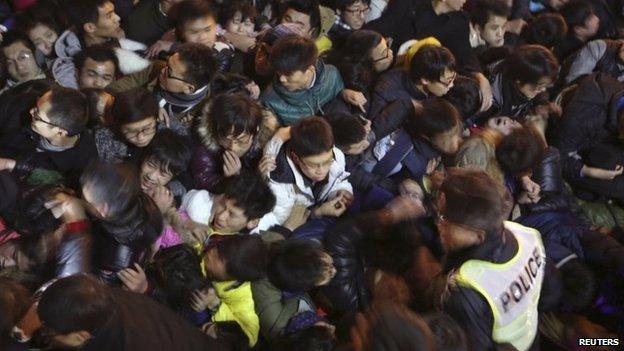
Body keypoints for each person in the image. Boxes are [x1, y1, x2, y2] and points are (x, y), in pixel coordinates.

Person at [436, 168, 560, 350]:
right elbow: (551, 292)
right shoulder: (525, 234)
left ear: (478, 236)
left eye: (445, 220)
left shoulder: (465, 290)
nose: (439, 226)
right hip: (531, 339)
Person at [37, 274, 228, 350]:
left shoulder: (128, 343)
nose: (46, 333)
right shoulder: (107, 298)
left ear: (80, 337)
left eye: (50, 332)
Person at [261, 117, 353, 239]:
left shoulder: (335, 154)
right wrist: (317, 212)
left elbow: (339, 179)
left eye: (327, 162)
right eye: (313, 165)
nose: (322, 170)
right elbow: (280, 231)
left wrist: (340, 191)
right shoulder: (278, 187)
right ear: (295, 158)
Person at [79, 162, 163, 285]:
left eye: (85, 199)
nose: (80, 197)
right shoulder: (139, 202)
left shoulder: (112, 257)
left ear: (103, 210)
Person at [0, 86, 97, 187]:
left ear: (60, 132)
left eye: (37, 116)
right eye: (37, 103)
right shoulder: (26, 103)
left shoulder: (83, 163)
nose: (31, 111)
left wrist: (14, 165)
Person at [109, 43, 218, 131]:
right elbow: (122, 85)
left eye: (169, 72)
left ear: (189, 89)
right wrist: (149, 106)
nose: (163, 70)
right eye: (167, 63)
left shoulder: (203, 111)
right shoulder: (157, 68)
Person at [551, 73, 624, 202]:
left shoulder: (618, 98)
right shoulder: (583, 115)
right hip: (567, 147)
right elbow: (557, 155)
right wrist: (589, 171)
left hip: (594, 137)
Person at [253, 233, 336, 340]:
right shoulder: (271, 314)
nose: (334, 271)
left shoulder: (277, 241)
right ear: (298, 286)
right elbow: (278, 333)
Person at [53, 0, 149, 89]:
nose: (117, 18)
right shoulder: (69, 71)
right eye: (109, 15)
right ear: (90, 27)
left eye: (114, 12)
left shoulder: (120, 41)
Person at [191, 93, 277, 192]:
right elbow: (202, 180)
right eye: (226, 139)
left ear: (256, 131)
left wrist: (258, 176)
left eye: (240, 141)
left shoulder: (267, 140)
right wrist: (233, 180)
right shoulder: (204, 141)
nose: (232, 147)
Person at [261, 35, 344, 125]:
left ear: (309, 71)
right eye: (279, 72)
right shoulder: (270, 101)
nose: (282, 79)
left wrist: (344, 92)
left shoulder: (332, 76)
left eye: (288, 74)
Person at [369, 44, 456, 128]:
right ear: (425, 80)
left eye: (453, 77)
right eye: (448, 81)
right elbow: (373, 129)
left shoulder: (433, 88)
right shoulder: (386, 90)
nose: (452, 85)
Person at [324, 30, 394, 117]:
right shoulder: (355, 88)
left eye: (388, 45)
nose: (391, 53)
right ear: (368, 64)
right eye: (385, 54)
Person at [95, 87, 174, 162]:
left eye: (146, 129)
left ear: (157, 119)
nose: (141, 138)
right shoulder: (106, 140)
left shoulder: (172, 131)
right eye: (131, 132)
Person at [487, 44, 559, 121]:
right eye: (540, 86)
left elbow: (539, 96)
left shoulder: (526, 87)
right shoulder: (493, 102)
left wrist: (540, 104)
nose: (543, 89)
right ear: (519, 80)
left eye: (546, 86)